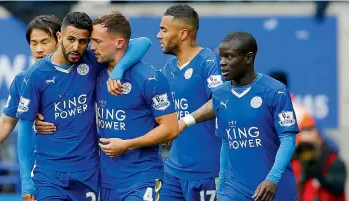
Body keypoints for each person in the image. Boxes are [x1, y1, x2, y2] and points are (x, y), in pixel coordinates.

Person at [16, 11, 151, 201]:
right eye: (71, 39)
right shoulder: (35, 75)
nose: (76, 47)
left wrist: (118, 71)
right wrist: (25, 180)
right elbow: (23, 127)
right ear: (59, 36)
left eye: (83, 41)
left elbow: (144, 42)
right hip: (49, 175)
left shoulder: (91, 61)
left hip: (87, 173)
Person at [179, 31, 299, 201]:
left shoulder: (275, 91)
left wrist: (272, 179)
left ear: (248, 58)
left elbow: (288, 139)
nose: (222, 63)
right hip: (235, 192)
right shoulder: (220, 95)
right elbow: (227, 143)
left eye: (229, 57)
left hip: (274, 190)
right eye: (221, 57)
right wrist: (221, 191)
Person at [0, 14, 62, 197]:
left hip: (85, 171)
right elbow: (6, 122)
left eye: (45, 42)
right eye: (33, 43)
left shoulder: (83, 70)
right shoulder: (23, 80)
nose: (39, 49)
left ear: (59, 40)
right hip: (46, 173)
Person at [91, 12, 178, 201]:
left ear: (120, 43)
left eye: (97, 41)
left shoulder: (150, 78)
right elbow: (142, 42)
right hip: (107, 182)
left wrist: (128, 145)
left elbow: (171, 129)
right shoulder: (97, 71)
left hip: (142, 178)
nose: (92, 47)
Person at [156, 4, 223, 201]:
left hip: (208, 171)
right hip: (173, 171)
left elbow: (218, 102)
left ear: (183, 34)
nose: (159, 35)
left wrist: (185, 121)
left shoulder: (209, 62)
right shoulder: (169, 67)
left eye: (164, 30)